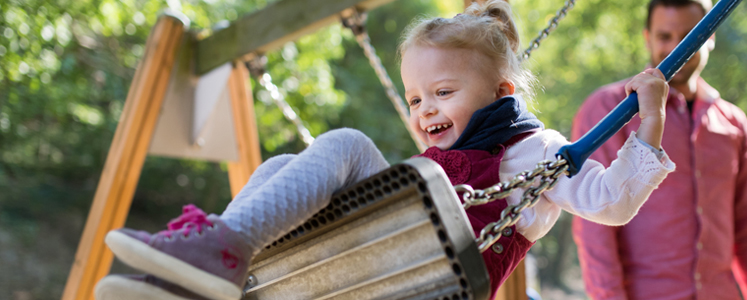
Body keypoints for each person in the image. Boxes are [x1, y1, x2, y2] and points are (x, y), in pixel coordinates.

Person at [94, 1, 675, 299]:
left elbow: (611, 202)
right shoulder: (445, 155)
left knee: (347, 143)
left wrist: (650, 118)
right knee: (276, 167)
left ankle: (219, 254)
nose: (424, 110)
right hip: (390, 252)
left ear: (501, 92)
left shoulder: (534, 150)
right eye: (416, 97)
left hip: (439, 273)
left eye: (443, 93)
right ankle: (209, 271)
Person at [570, 0, 747, 299]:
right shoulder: (609, 110)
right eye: (664, 37)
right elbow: (595, 230)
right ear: (647, 37)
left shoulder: (733, 123)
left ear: (710, 36)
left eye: (688, 38)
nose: (676, 49)